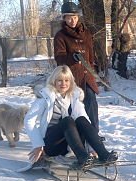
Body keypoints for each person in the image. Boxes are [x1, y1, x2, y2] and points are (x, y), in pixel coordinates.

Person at [24, 65, 117, 169]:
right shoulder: (45, 97)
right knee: (67, 121)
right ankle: (83, 157)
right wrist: (38, 145)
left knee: (81, 119)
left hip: (71, 144)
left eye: (66, 80)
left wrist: (91, 149)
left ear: (71, 82)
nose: (63, 83)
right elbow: (29, 120)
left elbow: (86, 125)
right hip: (52, 145)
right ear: (54, 81)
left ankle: (104, 154)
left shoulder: (74, 97)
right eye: (59, 80)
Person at [53, 1, 100, 134]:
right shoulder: (60, 36)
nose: (72, 20)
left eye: (74, 17)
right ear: (64, 18)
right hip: (71, 78)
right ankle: (75, 133)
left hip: (87, 76)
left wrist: (93, 71)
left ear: (78, 17)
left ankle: (94, 132)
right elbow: (59, 58)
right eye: (69, 17)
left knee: (91, 100)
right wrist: (71, 57)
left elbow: (91, 56)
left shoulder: (87, 34)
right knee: (72, 106)